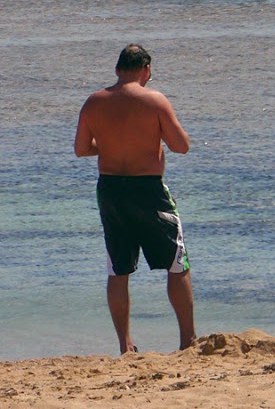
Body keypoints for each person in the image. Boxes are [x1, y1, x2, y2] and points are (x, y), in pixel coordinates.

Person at [74, 44, 196, 354]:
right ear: (146, 70)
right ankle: (187, 340)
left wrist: (112, 145)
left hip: (111, 189)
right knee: (176, 263)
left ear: (117, 69)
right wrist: (147, 142)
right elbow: (181, 145)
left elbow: (81, 148)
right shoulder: (154, 100)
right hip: (148, 189)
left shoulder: (94, 101)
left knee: (118, 269)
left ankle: (125, 346)